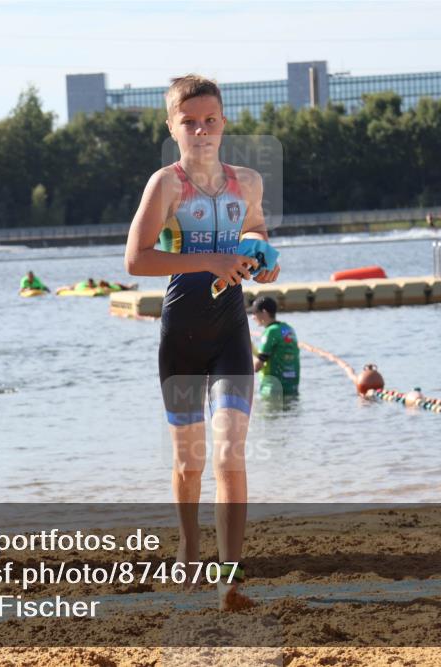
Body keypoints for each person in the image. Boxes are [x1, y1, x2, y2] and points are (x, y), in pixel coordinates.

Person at [124, 74, 279, 611]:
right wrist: (209, 260)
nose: (201, 130)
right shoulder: (165, 185)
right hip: (181, 337)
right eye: (188, 122)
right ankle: (190, 545)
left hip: (231, 334)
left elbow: (256, 230)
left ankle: (230, 579)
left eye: (209, 119)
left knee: (231, 456)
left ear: (223, 123)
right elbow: (137, 259)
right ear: (172, 128)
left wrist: (262, 261)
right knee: (190, 463)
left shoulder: (249, 183)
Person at [250, 297, 300, 398]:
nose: (252, 317)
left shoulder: (270, 332)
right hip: (292, 387)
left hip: (273, 390)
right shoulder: (288, 329)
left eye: (255, 313)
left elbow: (256, 367)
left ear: (264, 312)